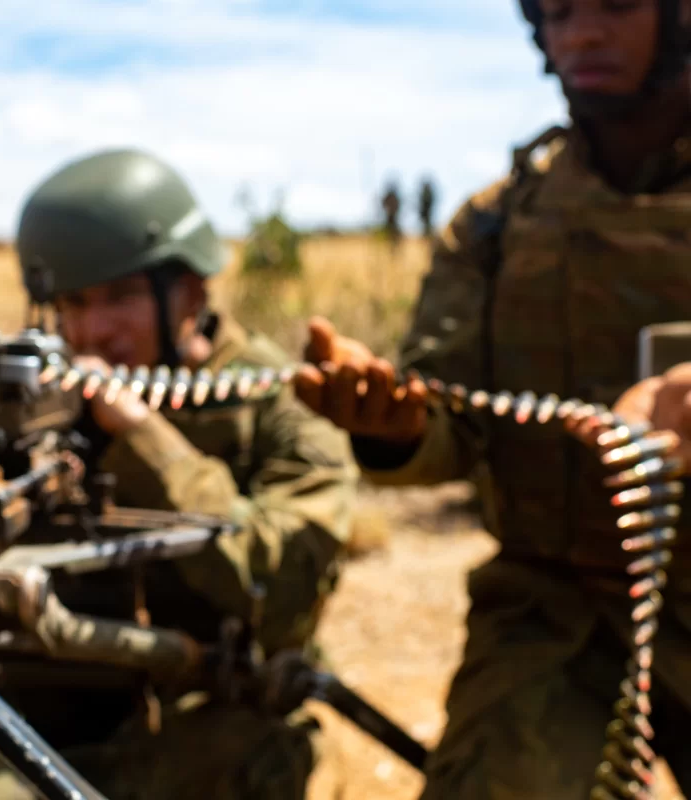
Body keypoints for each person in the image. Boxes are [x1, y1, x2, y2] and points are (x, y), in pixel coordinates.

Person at [0, 148, 359, 799]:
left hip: (205, 723)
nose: (92, 330)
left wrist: (142, 436)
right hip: (38, 717)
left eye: (119, 298)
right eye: (73, 303)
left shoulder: (275, 403)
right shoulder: (43, 398)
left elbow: (281, 585)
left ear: (191, 290)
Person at [293, 1, 691, 797]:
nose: (581, 34)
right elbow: (454, 421)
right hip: (554, 612)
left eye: (615, 5)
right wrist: (397, 428)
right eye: (559, 11)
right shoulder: (498, 224)